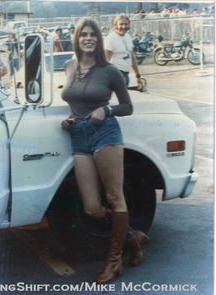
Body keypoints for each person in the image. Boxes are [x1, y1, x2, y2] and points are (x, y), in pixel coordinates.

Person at [61, 17, 149, 284]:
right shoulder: (70, 66)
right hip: (79, 136)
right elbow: (75, 100)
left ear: (99, 40)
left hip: (105, 134)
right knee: (91, 208)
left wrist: (106, 109)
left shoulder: (109, 71)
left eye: (93, 35)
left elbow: (127, 107)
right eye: (83, 34)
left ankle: (113, 262)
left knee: (114, 196)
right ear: (76, 39)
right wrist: (71, 119)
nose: (88, 38)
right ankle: (133, 236)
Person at [104, 15, 143, 90]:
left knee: (123, 100)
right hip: (116, 75)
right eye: (121, 24)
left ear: (129, 25)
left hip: (125, 75)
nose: (124, 26)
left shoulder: (127, 36)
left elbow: (132, 59)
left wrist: (138, 76)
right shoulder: (110, 39)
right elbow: (105, 62)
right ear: (115, 25)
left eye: (126, 24)